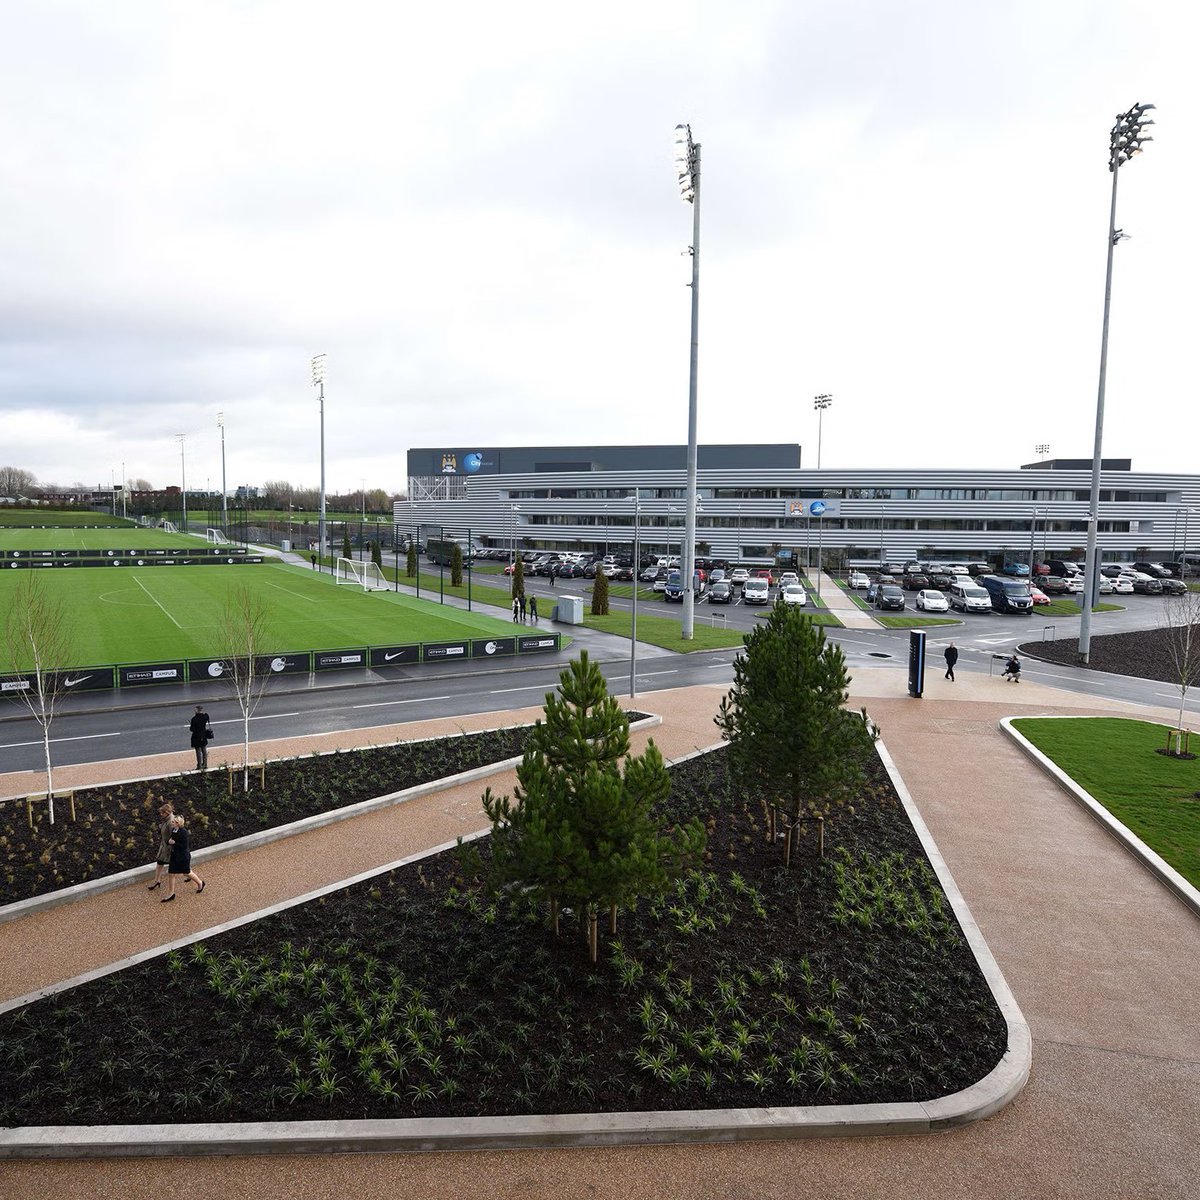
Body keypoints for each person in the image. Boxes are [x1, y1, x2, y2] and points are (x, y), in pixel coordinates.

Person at [162, 814, 204, 902]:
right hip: (175, 856)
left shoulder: (184, 832)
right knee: (171, 873)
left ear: (178, 823)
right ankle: (171, 893)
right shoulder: (174, 830)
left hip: (182, 857)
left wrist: (173, 843)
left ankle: (200, 883)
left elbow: (184, 846)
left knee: (187, 872)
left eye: (173, 822)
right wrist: (169, 841)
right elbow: (172, 840)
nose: (172, 823)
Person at [147, 801, 174, 891]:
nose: (161, 814)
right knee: (159, 862)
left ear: (167, 813)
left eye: (162, 813)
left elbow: (174, 836)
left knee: (180, 865)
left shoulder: (171, 822)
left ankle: (191, 875)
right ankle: (157, 881)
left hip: (168, 848)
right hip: (164, 846)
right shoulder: (166, 820)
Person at [188, 705, 211, 770]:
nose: (194, 711)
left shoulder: (194, 719)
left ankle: (199, 766)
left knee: (198, 751)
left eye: (195, 710)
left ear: (197, 710)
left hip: (196, 736)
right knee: (204, 750)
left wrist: (191, 726)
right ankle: (205, 764)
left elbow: (192, 729)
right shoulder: (205, 716)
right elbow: (207, 717)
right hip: (203, 735)